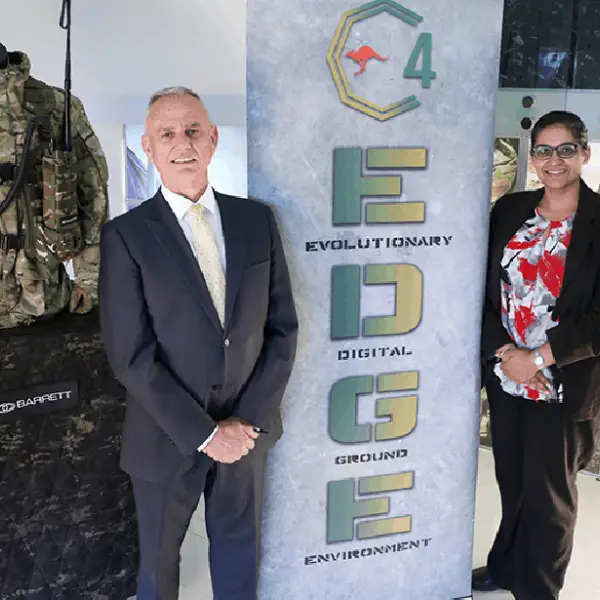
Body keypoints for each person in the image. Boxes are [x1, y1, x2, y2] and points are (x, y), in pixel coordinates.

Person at [98, 86, 299, 600]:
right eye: (167, 134)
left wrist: (246, 421)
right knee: (158, 567)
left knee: (239, 557)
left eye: (192, 130)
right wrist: (207, 434)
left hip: (247, 433)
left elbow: (282, 329)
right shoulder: (126, 236)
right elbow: (130, 355)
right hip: (166, 435)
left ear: (212, 139)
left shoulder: (257, 221)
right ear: (148, 147)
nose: (182, 143)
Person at [474, 110, 600, 600]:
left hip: (562, 381)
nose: (554, 160)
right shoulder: (509, 211)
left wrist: (539, 358)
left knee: (550, 497)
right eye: (544, 150)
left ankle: (538, 589)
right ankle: (506, 567)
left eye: (565, 149)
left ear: (584, 154)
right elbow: (482, 288)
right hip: (508, 374)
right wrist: (507, 354)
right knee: (512, 480)